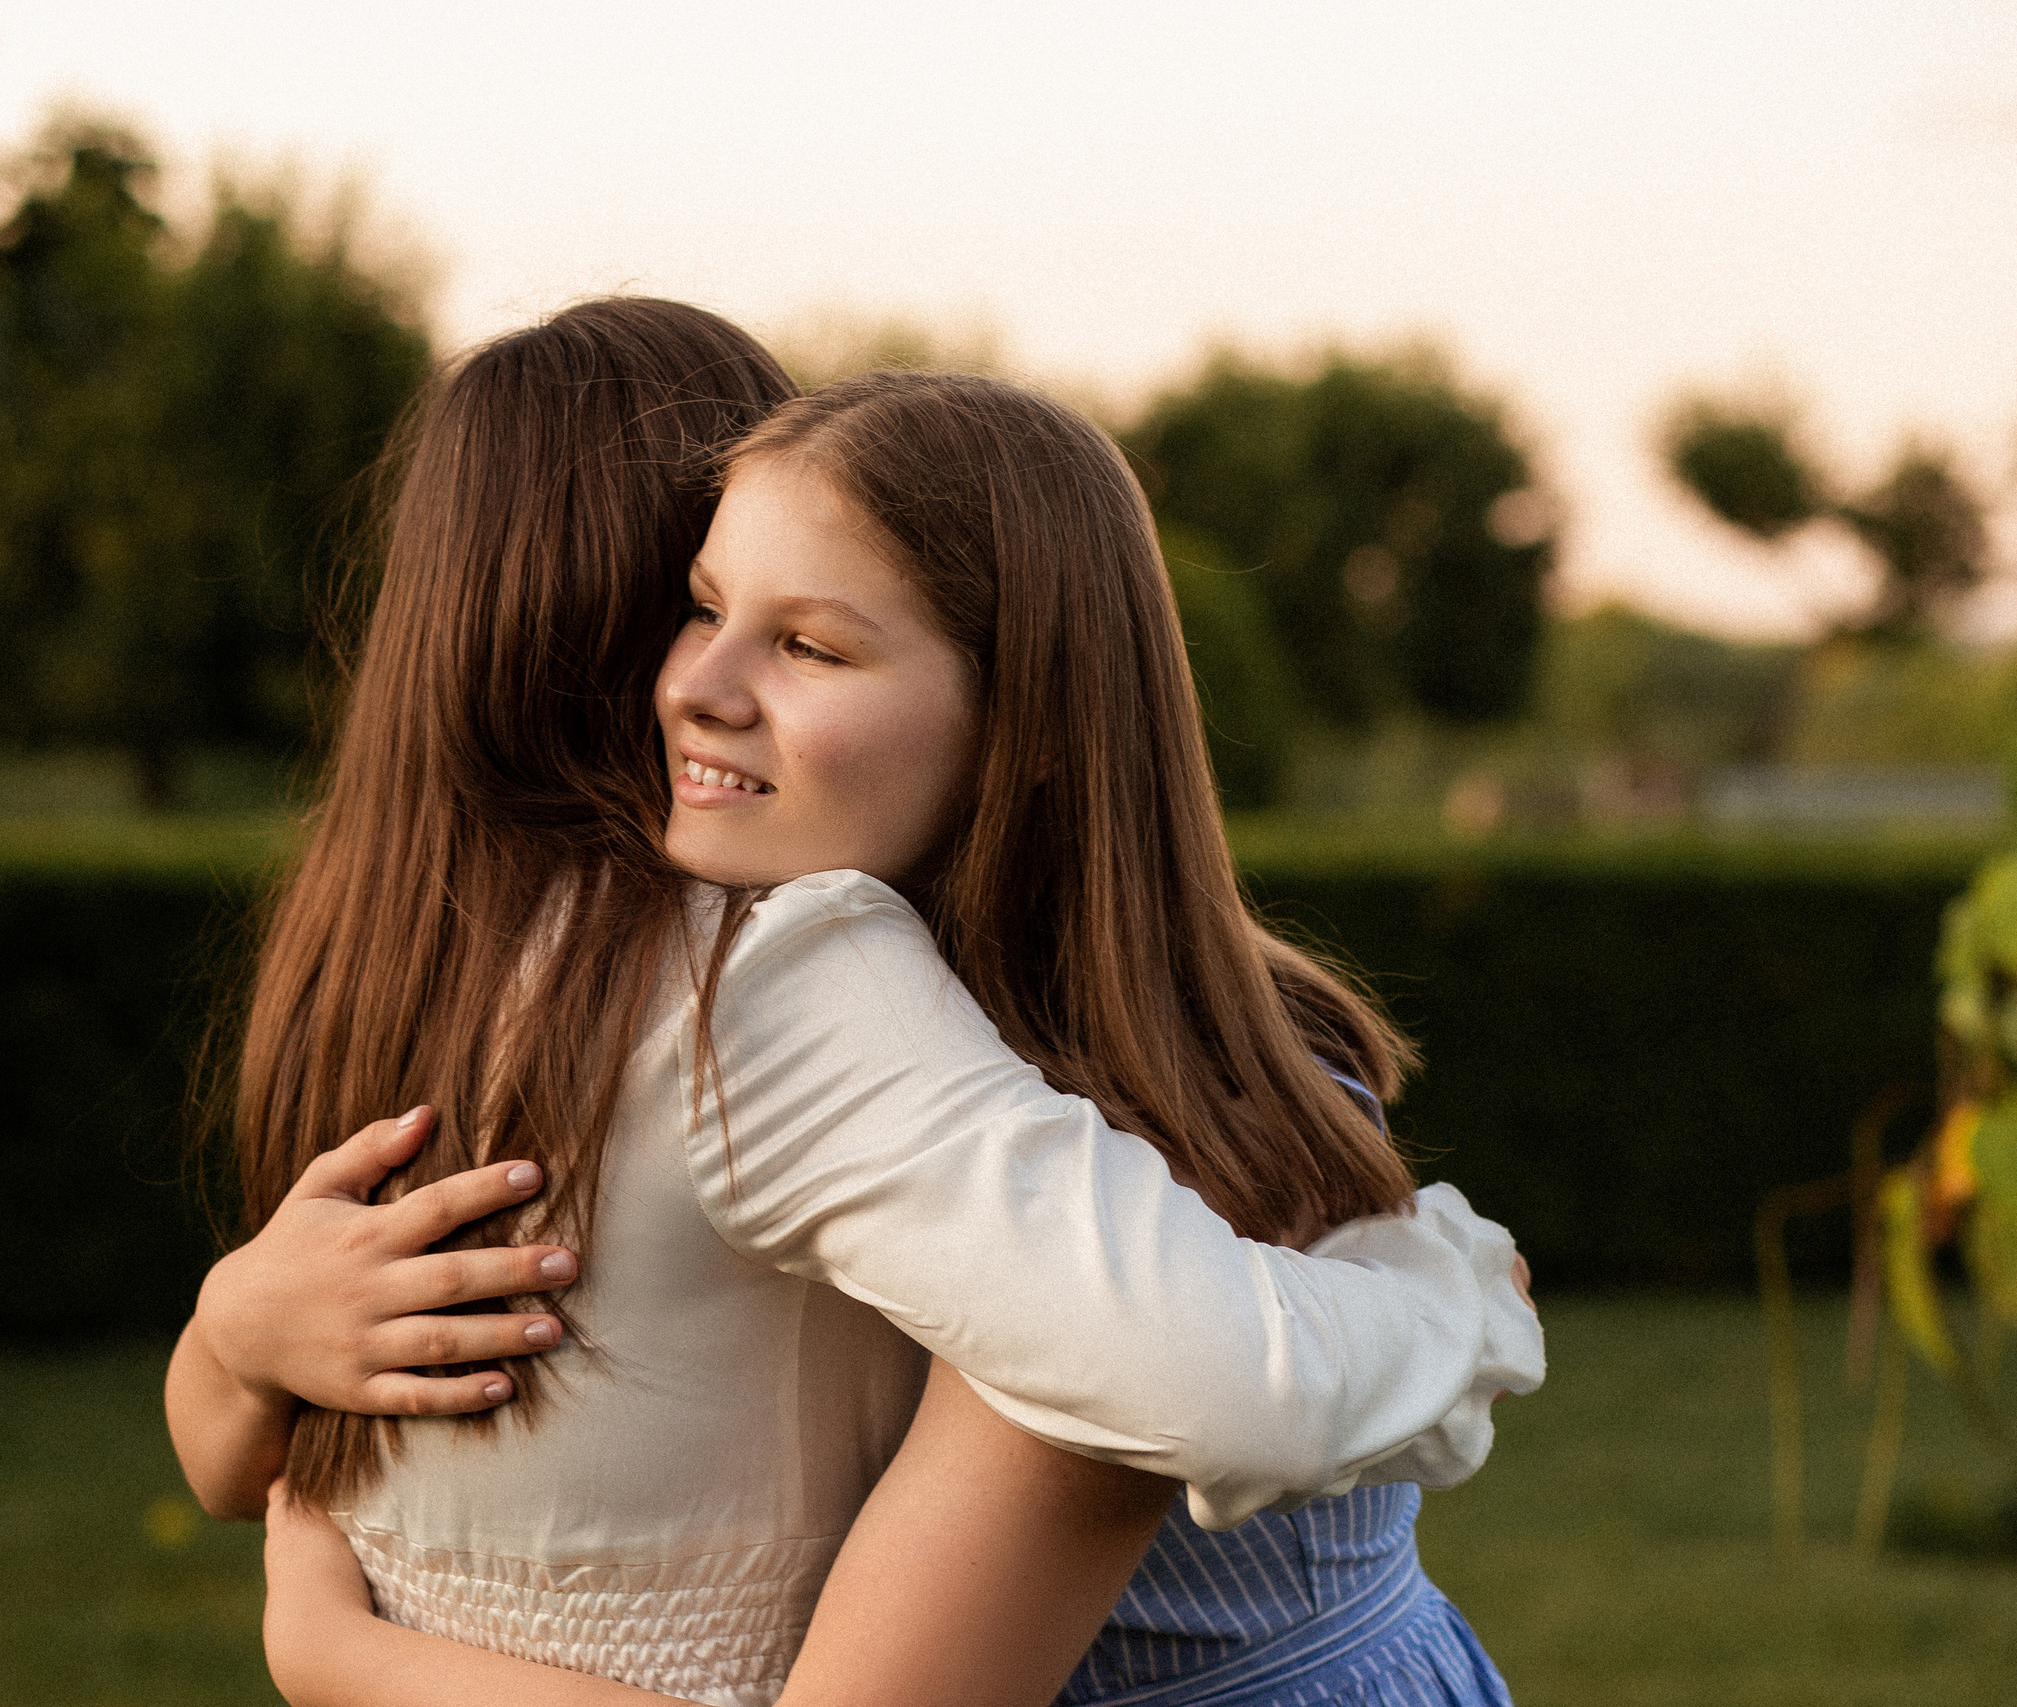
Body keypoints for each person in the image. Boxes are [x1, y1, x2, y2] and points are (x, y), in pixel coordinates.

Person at [166, 306, 1542, 1707]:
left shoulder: (1070, 1122)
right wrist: (237, 1324)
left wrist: (1462, 1307)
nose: (693, 689)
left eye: (810, 641)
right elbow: (236, 1460)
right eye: (699, 606)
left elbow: (1220, 1388)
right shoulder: (759, 1021)